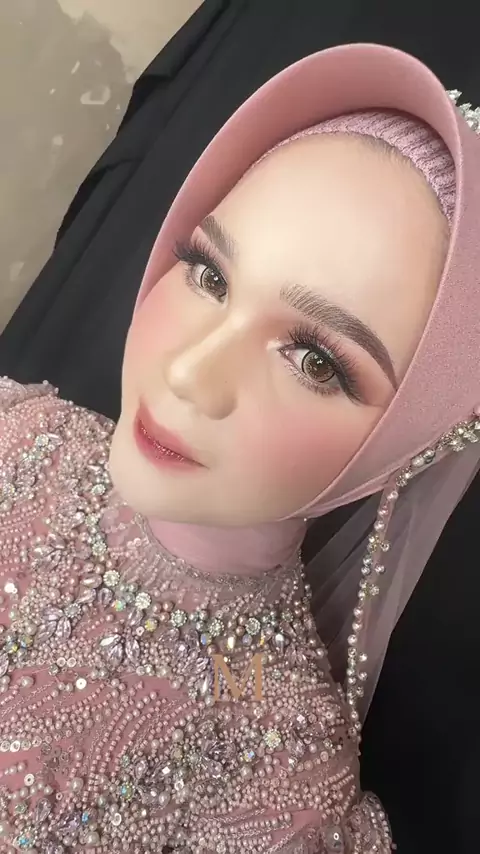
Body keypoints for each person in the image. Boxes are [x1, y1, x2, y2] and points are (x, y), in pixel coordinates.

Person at [0, 43, 479, 852]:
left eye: (315, 361)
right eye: (209, 275)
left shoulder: (276, 764)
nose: (191, 372)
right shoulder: (19, 433)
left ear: (406, 441)